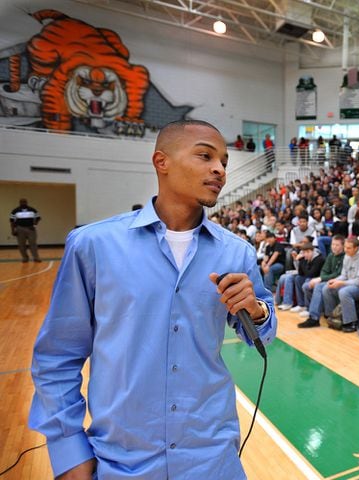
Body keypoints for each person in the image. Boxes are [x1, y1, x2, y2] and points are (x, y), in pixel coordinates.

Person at [29, 120, 277, 479]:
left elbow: (263, 333)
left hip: (213, 458)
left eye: (224, 161)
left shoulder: (236, 252)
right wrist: (69, 452)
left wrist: (256, 311)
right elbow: (57, 356)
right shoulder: (93, 245)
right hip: (121, 461)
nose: (220, 169)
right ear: (161, 161)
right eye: (205, 156)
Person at [322, 237, 359, 332]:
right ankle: (332, 317)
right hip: (348, 283)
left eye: (349, 248)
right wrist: (335, 280)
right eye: (345, 247)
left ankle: (351, 322)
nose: (346, 250)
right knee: (327, 288)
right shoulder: (347, 256)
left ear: (356, 248)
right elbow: (344, 275)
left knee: (344, 292)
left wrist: (341, 283)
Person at [298, 235, 345, 328]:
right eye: (333, 244)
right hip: (328, 279)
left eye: (337, 245)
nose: (334, 247)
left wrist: (321, 279)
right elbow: (324, 270)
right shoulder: (331, 255)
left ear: (343, 246)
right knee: (308, 285)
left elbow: (338, 274)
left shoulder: (344, 257)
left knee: (319, 286)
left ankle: (314, 318)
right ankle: (313, 310)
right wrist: (321, 278)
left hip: (339, 281)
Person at [9, 198, 41, 263]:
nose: (23, 203)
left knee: (33, 244)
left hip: (31, 229)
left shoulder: (32, 210)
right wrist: (13, 230)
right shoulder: (15, 211)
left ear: (27, 202)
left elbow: (38, 218)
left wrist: (34, 225)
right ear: (19, 203)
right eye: (22, 202)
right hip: (20, 229)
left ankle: (36, 258)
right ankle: (25, 258)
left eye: (24, 202)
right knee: (21, 245)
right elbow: (12, 222)